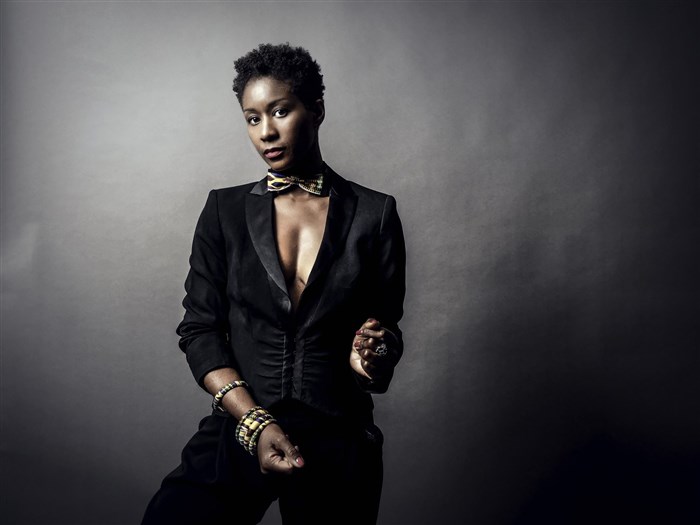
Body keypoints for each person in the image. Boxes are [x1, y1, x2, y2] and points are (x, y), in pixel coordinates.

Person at [141, 43, 406, 525]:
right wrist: (253, 422)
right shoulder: (223, 212)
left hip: (337, 436)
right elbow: (199, 331)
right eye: (252, 118)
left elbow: (384, 332)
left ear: (316, 110)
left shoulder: (376, 214)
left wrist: (370, 359)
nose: (266, 131)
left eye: (280, 111)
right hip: (243, 421)